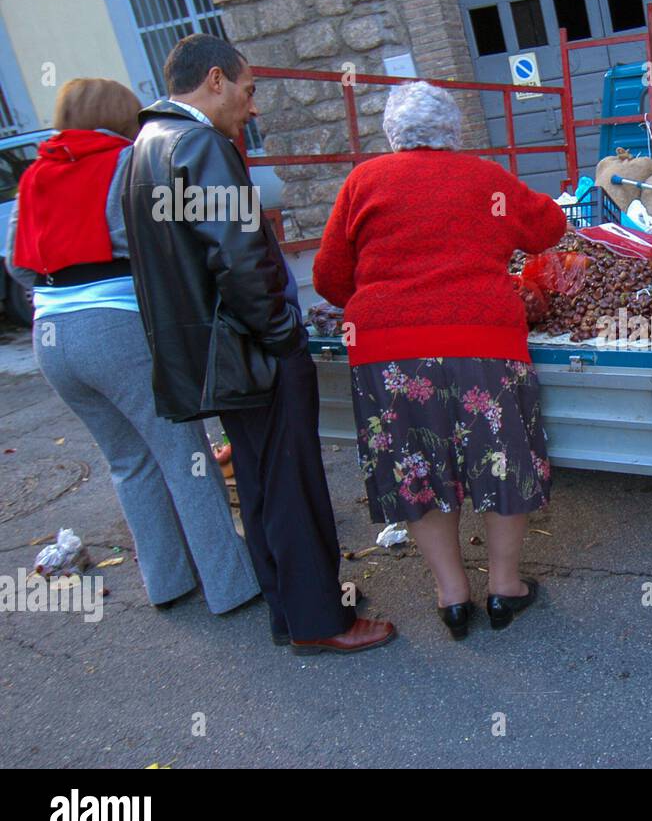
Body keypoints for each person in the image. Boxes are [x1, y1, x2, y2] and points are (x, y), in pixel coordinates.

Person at [121, 33, 395, 655]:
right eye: (248, 91)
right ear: (215, 80)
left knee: (264, 479)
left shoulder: (143, 149)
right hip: (253, 350)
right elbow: (240, 259)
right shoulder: (202, 146)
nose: (253, 107)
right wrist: (282, 335)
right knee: (291, 483)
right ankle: (323, 619)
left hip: (212, 355)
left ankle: (293, 610)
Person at [313, 81, 566, 640]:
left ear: (392, 134)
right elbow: (549, 227)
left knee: (417, 469)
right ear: (454, 132)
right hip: (483, 343)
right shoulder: (484, 178)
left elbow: (330, 277)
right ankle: (504, 588)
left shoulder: (363, 181)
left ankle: (452, 597)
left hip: (389, 351)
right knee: (501, 459)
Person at [5, 78, 261, 613]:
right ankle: (232, 583)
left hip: (51, 336)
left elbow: (19, 264)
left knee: (128, 462)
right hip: (117, 327)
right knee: (185, 456)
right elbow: (151, 241)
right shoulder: (127, 163)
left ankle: (167, 581)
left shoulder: (32, 176)